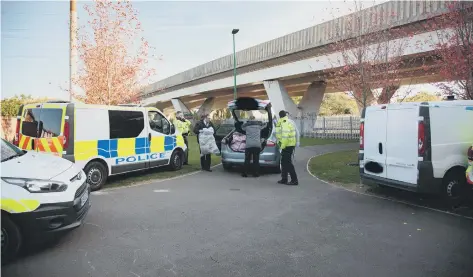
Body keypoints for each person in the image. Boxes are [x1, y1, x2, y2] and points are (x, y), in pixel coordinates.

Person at [275, 110, 299, 185]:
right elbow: (296, 132)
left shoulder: (284, 122)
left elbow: (285, 136)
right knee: (283, 162)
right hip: (288, 144)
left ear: (279, 116)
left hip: (287, 145)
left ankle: (294, 180)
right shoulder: (287, 121)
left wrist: (282, 147)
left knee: (287, 162)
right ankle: (284, 178)